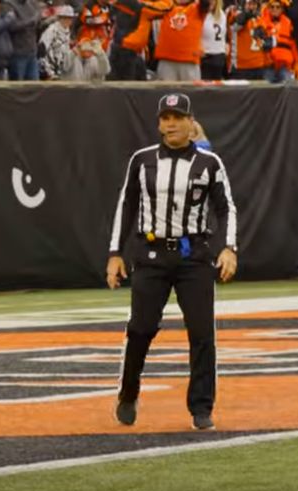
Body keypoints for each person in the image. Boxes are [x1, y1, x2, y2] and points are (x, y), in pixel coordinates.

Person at [106, 92, 238, 431]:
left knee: (201, 333)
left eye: (179, 117)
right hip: (150, 254)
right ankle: (128, 392)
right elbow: (126, 205)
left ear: (191, 122)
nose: (172, 124)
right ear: (159, 123)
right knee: (140, 328)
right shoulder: (142, 159)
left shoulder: (210, 163)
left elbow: (226, 209)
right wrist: (115, 254)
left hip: (194, 254)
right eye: (166, 118)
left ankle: (201, 407)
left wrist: (229, 248)